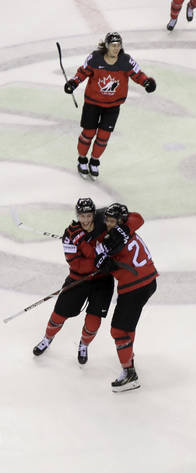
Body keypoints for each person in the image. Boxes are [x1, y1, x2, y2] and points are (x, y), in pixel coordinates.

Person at [31, 198, 114, 365]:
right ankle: (48, 338)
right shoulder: (70, 234)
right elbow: (76, 264)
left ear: (94, 214)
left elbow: (131, 220)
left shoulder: (103, 223)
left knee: (93, 320)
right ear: (77, 215)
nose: (85, 220)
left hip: (102, 281)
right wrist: (97, 260)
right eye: (82, 216)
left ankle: (84, 345)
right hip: (78, 279)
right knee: (59, 314)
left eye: (88, 215)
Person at [64, 33, 156, 179]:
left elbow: (137, 74)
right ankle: (82, 159)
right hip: (92, 103)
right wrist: (73, 83)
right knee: (88, 133)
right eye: (113, 45)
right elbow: (83, 72)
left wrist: (146, 82)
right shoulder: (95, 58)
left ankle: (94, 161)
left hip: (113, 106)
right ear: (107, 46)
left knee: (103, 136)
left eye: (118, 45)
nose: (116, 48)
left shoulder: (125, 61)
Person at [93, 203, 158, 392]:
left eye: (114, 222)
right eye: (108, 221)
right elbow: (137, 218)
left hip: (135, 287)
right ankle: (129, 357)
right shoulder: (126, 226)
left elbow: (110, 256)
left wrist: (106, 262)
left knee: (118, 330)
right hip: (146, 281)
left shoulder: (114, 238)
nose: (110, 225)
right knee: (126, 327)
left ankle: (130, 374)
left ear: (121, 221)